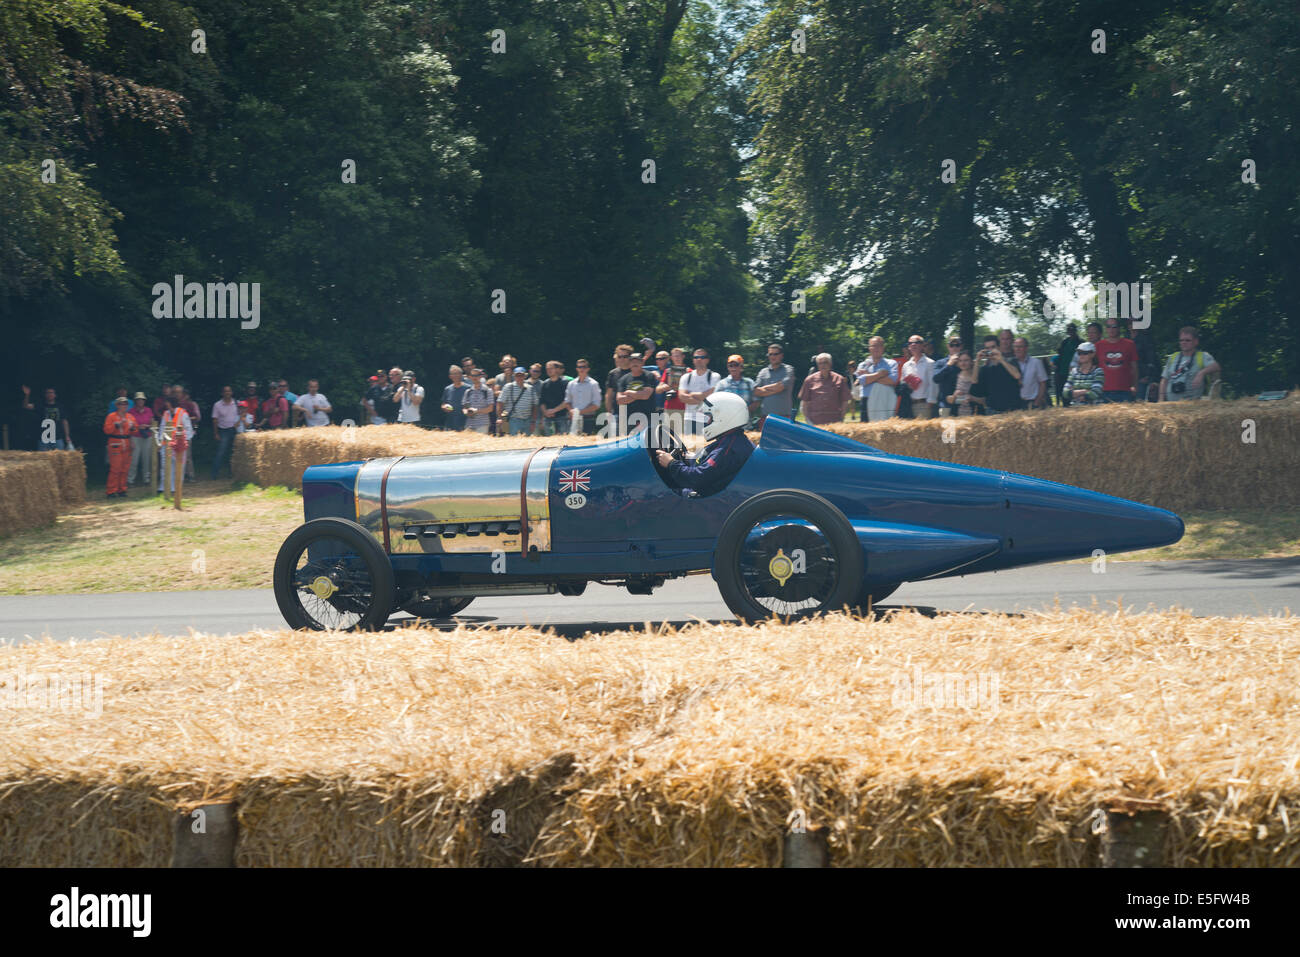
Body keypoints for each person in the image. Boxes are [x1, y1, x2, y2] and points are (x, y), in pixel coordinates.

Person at [654, 391, 754, 497]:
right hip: (713, 492)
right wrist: (688, 458)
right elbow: (708, 466)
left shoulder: (728, 449)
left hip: (705, 496)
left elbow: (697, 478)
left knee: (658, 493)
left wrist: (671, 463)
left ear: (724, 417)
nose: (707, 422)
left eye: (710, 417)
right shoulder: (734, 440)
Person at [1159, 326, 1221, 401]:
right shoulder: (1172, 357)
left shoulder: (1202, 356)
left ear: (1196, 342)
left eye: (1187, 340)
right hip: (1171, 404)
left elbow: (1216, 367)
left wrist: (1201, 373)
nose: (1183, 343)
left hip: (1192, 404)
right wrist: (1161, 400)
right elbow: (1164, 380)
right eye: (1181, 340)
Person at [970, 335, 1022, 414]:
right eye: (987, 348)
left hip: (1012, 409)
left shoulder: (1011, 361)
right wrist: (977, 361)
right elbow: (974, 381)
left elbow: (1017, 375)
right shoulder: (985, 368)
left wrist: (1001, 360)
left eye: (993, 347)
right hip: (992, 410)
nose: (990, 350)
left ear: (999, 347)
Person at [797, 353, 851, 425]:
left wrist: (841, 418)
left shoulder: (839, 379)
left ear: (830, 364)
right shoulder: (809, 380)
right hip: (815, 422)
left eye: (825, 362)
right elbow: (804, 403)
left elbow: (845, 401)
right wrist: (808, 420)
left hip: (835, 422)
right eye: (820, 363)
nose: (823, 365)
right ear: (817, 365)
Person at [679, 349, 721, 435]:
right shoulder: (686, 377)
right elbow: (682, 397)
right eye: (696, 357)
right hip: (689, 419)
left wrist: (691, 394)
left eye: (702, 357)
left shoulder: (714, 376)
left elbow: (711, 395)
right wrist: (702, 400)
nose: (699, 359)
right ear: (693, 360)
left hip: (707, 420)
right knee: (689, 446)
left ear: (707, 360)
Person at [856, 336, 898, 422]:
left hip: (884, 400)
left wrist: (869, 375)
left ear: (883, 348)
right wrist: (880, 374)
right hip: (866, 400)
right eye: (873, 346)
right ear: (869, 348)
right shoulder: (862, 365)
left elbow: (892, 381)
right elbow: (862, 381)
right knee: (865, 432)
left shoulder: (891, 363)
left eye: (879, 345)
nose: (876, 348)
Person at [615, 354, 660, 436]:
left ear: (642, 363)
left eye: (637, 361)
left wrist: (629, 392)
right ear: (629, 364)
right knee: (629, 444)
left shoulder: (649, 376)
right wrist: (638, 395)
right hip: (630, 419)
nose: (635, 363)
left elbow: (646, 395)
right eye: (632, 361)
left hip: (649, 417)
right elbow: (619, 400)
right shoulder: (623, 379)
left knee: (652, 443)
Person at [102, 396, 138, 498]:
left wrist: (133, 429)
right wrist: (117, 425)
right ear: (117, 405)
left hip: (127, 442)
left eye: (126, 404)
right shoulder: (111, 416)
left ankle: (122, 489)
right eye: (122, 404)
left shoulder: (130, 417)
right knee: (115, 468)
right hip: (115, 443)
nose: (124, 406)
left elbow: (135, 430)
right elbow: (107, 430)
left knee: (125, 468)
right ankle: (111, 491)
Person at [1097, 319, 1139, 402]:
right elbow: (1093, 368)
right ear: (1106, 329)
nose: (1111, 329)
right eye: (1109, 327)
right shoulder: (1098, 345)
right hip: (1104, 391)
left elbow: (1135, 368)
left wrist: (1135, 386)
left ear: (1119, 328)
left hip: (1125, 391)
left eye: (1114, 326)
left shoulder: (1129, 344)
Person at [753, 344, 795, 427]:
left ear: (781, 355)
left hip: (784, 417)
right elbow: (756, 391)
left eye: (775, 354)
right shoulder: (763, 372)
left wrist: (764, 389)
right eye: (770, 354)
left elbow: (780, 387)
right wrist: (775, 389)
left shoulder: (789, 369)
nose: (772, 356)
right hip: (766, 418)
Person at [714, 355, 758, 426]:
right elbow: (715, 403)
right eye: (730, 365)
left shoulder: (750, 383)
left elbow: (756, 402)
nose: (733, 368)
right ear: (728, 367)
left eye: (736, 365)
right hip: (726, 426)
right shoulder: (721, 384)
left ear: (741, 367)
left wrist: (743, 411)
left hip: (746, 425)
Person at [899, 335, 936, 419]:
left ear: (923, 346)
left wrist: (930, 402)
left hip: (924, 404)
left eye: (916, 342)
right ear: (908, 347)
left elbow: (933, 385)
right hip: (908, 404)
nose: (913, 345)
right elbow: (902, 384)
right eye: (910, 343)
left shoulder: (930, 363)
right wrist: (907, 385)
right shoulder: (906, 365)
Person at [564, 359, 602, 434]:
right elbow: (567, 401)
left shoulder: (594, 384)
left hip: (588, 418)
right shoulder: (571, 384)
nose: (581, 369)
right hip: (573, 418)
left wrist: (579, 412)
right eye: (579, 367)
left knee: (587, 443)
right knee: (572, 442)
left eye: (584, 367)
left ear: (588, 369)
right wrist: (571, 410)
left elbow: (597, 404)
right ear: (576, 369)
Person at [497, 366, 539, 435]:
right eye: (517, 375)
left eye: (521, 375)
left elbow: (535, 406)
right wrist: (499, 418)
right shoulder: (508, 387)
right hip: (513, 420)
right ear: (514, 376)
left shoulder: (530, 388)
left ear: (525, 376)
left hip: (527, 420)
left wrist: (533, 421)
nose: (519, 377)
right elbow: (500, 403)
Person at [210, 385, 240, 479]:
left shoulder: (237, 403)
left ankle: (232, 473)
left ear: (232, 392)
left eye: (229, 391)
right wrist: (216, 433)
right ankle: (214, 474)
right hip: (223, 431)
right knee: (221, 452)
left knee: (234, 452)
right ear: (222, 393)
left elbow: (242, 415)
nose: (227, 393)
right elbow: (215, 420)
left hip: (235, 430)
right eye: (225, 391)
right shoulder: (217, 405)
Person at [538, 361, 572, 435]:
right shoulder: (545, 384)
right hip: (548, 418)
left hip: (562, 417)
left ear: (557, 369)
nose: (549, 370)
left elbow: (566, 401)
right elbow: (542, 401)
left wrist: (553, 410)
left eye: (551, 368)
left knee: (563, 440)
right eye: (547, 369)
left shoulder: (565, 383)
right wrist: (545, 412)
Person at [127, 392, 154, 486]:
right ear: (135, 401)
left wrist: (147, 426)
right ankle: (130, 480)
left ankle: (146, 479)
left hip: (147, 436)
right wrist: (139, 427)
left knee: (146, 459)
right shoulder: (131, 412)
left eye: (142, 399)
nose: (140, 401)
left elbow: (152, 424)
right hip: (135, 437)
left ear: (144, 401)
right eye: (138, 399)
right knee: (134, 459)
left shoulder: (149, 410)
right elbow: (129, 426)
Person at [945, 351, 984, 416]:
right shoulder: (954, 377)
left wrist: (972, 398)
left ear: (972, 362)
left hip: (976, 417)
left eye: (966, 360)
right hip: (958, 417)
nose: (963, 363)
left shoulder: (979, 377)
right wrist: (954, 396)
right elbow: (948, 400)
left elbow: (985, 401)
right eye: (960, 361)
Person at [1013, 337, 1048, 409]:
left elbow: (1043, 383)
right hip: (1017, 404)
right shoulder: (1011, 364)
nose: (1017, 349)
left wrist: (1036, 403)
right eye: (1015, 347)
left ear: (1026, 348)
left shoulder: (1036, 362)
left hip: (1033, 403)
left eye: (1020, 347)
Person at [931, 337, 963, 415]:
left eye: (957, 345)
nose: (954, 347)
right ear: (948, 346)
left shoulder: (966, 362)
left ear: (961, 346)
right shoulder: (940, 362)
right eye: (952, 345)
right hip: (945, 404)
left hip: (963, 405)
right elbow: (935, 379)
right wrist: (948, 364)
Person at [604, 345, 633, 421]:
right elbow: (609, 395)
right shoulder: (613, 373)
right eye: (619, 357)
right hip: (617, 414)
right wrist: (609, 413)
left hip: (636, 414)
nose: (622, 359)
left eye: (625, 356)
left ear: (630, 357)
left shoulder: (636, 371)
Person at [1054, 323, 1081, 405]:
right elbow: (1060, 355)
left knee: (1075, 395)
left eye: (1072, 329)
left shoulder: (1080, 343)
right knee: (1064, 395)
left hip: (1075, 374)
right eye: (1069, 330)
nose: (1071, 331)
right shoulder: (1064, 342)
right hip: (1062, 373)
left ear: (1075, 330)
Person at [462, 369, 494, 433]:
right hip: (469, 424)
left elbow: (490, 409)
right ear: (470, 377)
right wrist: (466, 412)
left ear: (480, 377)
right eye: (473, 375)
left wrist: (476, 411)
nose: (474, 377)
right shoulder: (468, 391)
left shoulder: (487, 391)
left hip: (482, 424)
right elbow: (464, 407)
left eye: (477, 375)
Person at [440, 365, 468, 431]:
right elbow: (443, 404)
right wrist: (444, 407)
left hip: (465, 423)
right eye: (453, 374)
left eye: (457, 373)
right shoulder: (447, 389)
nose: (455, 376)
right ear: (450, 376)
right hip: (450, 423)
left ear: (461, 375)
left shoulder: (468, 388)